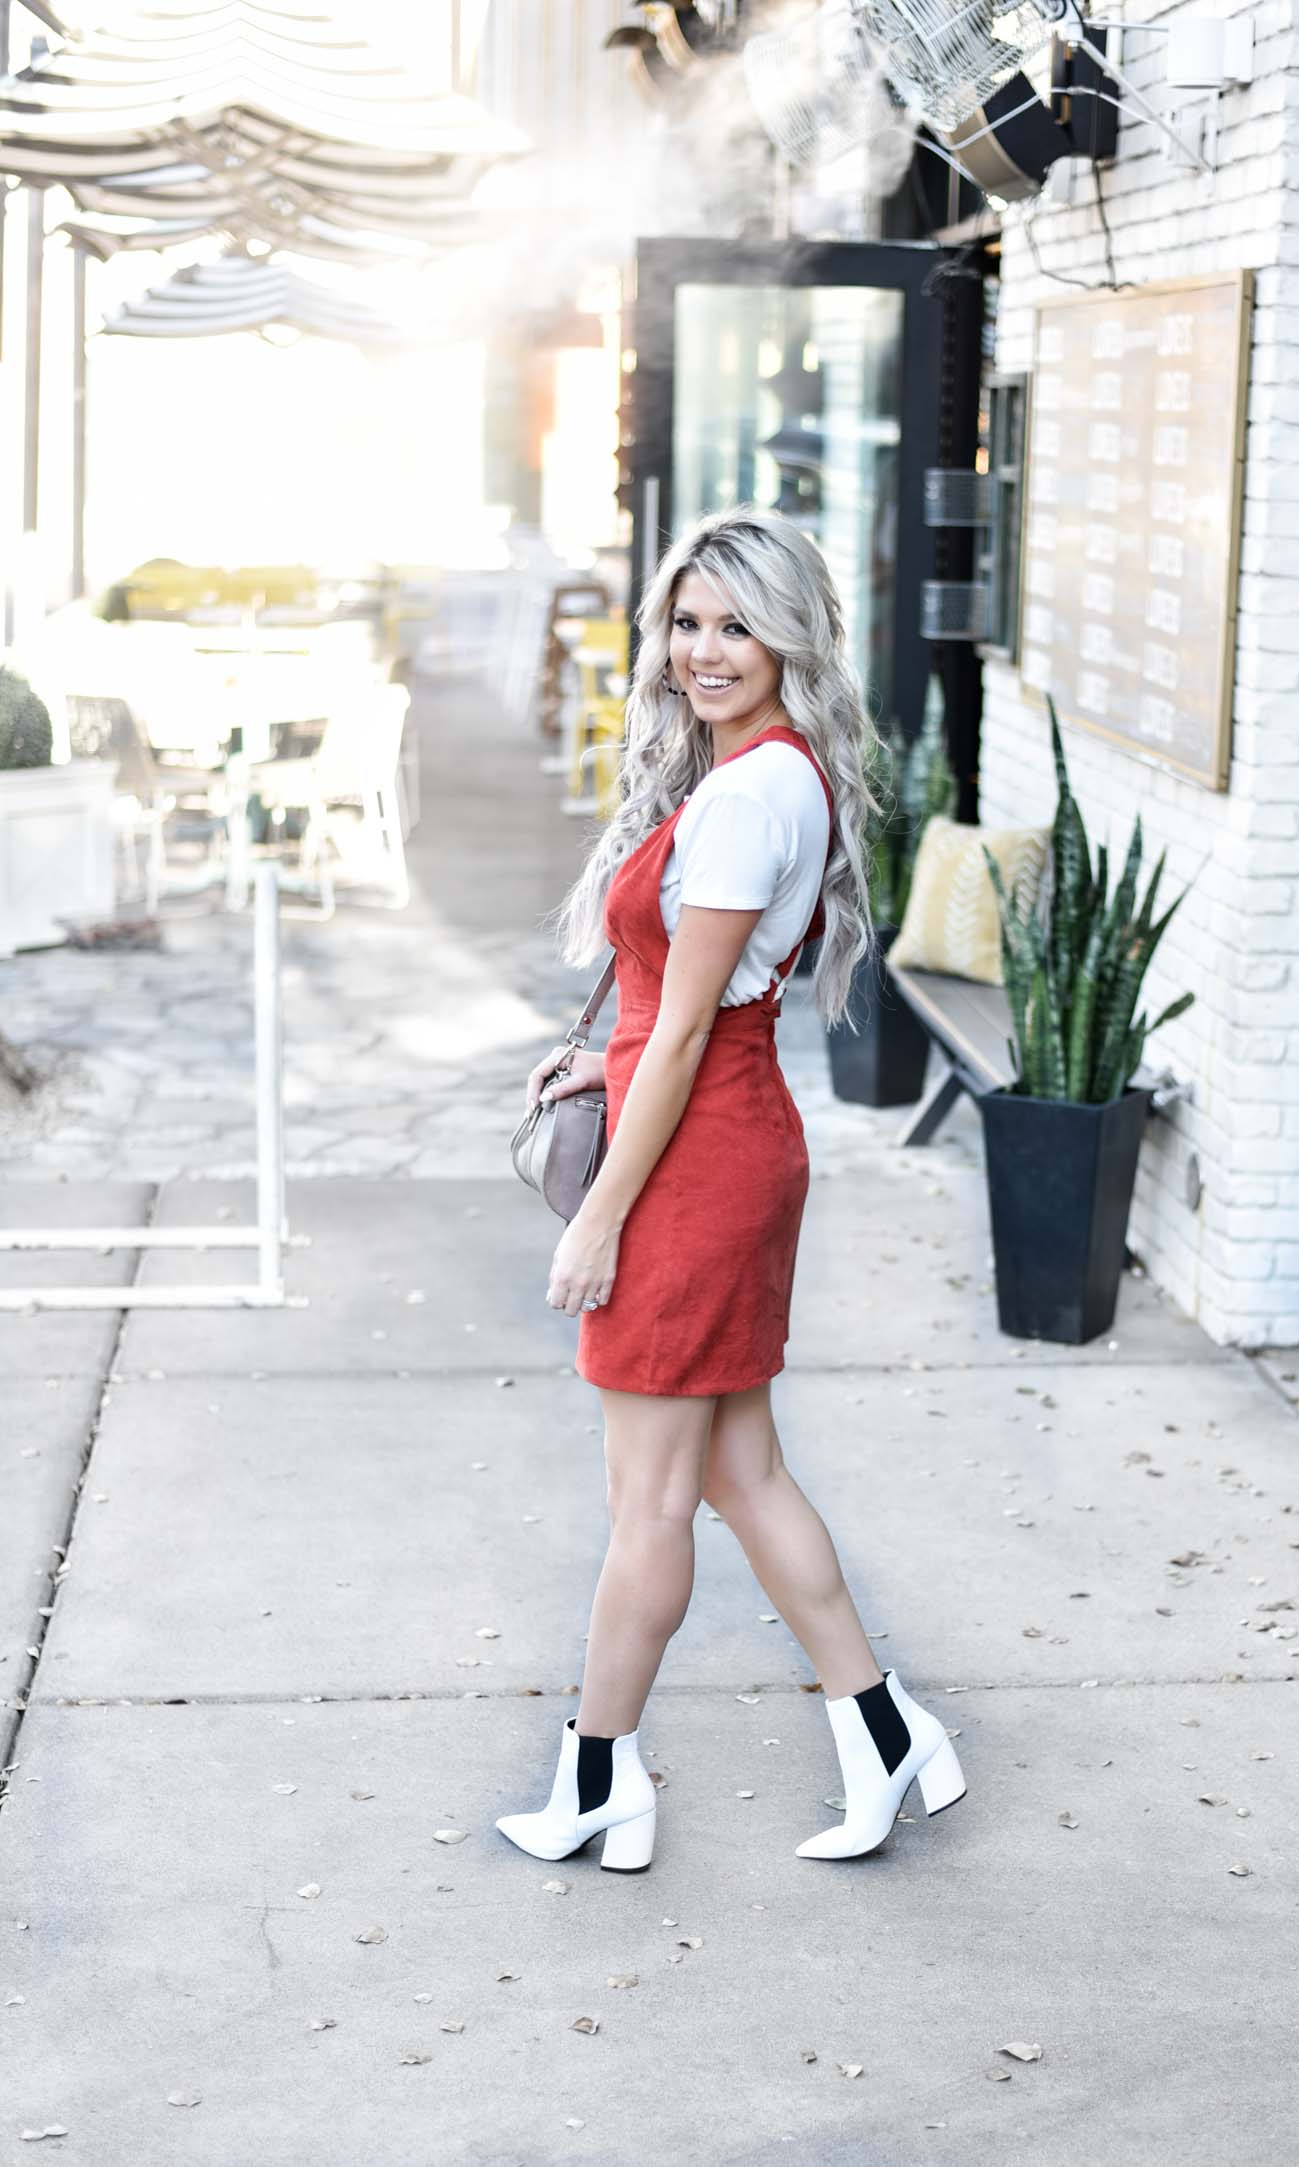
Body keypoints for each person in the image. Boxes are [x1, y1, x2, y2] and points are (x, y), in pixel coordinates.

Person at [495, 505, 966, 1873]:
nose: (706, 650)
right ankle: (884, 1735)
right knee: (744, 1473)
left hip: (698, 1162)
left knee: (649, 1499)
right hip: (718, 1131)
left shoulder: (755, 789)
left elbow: (697, 1025)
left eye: (738, 626)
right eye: (689, 622)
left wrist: (599, 1218)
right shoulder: (762, 771)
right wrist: (601, 1061)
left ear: (791, 636)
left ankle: (597, 1779)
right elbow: (691, 1007)